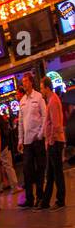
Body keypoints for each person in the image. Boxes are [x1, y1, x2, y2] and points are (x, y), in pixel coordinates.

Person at [18, 72, 46, 208]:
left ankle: (40, 197)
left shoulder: (39, 97)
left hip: (38, 140)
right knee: (27, 170)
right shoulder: (22, 101)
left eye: (25, 81)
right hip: (27, 142)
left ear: (31, 82)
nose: (23, 83)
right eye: (22, 81)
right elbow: (20, 123)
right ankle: (29, 199)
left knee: (40, 169)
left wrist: (41, 134)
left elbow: (45, 117)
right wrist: (19, 140)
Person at [41, 76, 67, 209]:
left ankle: (60, 200)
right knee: (51, 173)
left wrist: (50, 141)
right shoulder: (51, 100)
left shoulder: (53, 101)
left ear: (46, 87)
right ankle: (45, 202)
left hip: (55, 142)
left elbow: (56, 125)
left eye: (41, 88)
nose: (41, 91)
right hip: (53, 142)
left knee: (57, 173)